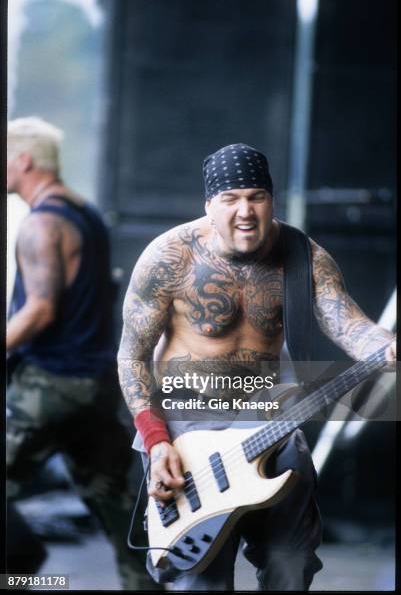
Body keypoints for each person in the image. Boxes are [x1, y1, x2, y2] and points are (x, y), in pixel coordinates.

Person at [117, 142, 396, 591]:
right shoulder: (170, 257)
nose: (244, 211)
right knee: (199, 580)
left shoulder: (303, 257)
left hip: (270, 419)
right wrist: (154, 440)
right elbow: (132, 355)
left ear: (271, 200)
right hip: (187, 424)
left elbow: (350, 326)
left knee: (293, 563)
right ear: (209, 205)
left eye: (256, 197)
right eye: (230, 199)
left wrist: (386, 346)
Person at [6, 116, 159, 590]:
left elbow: (40, 310)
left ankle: (20, 563)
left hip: (51, 386)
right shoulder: (86, 214)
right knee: (116, 503)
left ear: (24, 161)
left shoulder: (40, 224)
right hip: (95, 387)